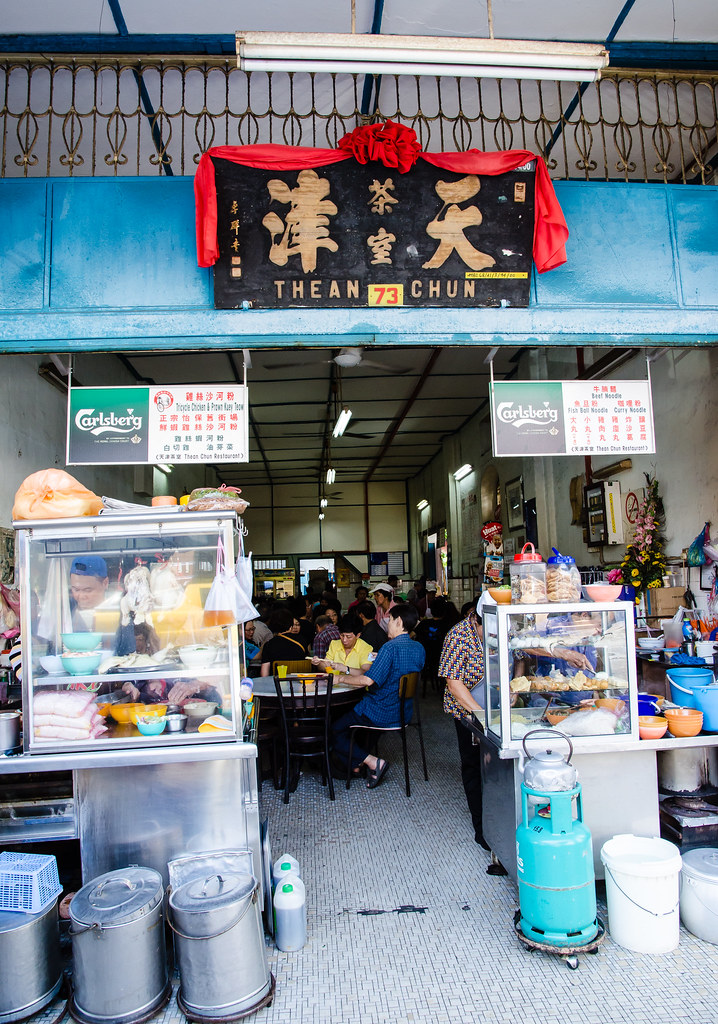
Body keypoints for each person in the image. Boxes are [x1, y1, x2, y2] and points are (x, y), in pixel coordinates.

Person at [330, 604, 425, 789]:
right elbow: (399, 669)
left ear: (398, 621)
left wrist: (340, 677)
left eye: (390, 620)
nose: (387, 624)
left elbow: (367, 681)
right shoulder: (418, 647)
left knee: (334, 729)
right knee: (352, 726)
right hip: (403, 711)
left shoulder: (389, 648)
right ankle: (355, 764)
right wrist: (379, 656)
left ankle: (372, 762)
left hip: (380, 710)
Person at [438, 603, 492, 853]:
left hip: (496, 705)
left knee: (498, 767)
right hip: (468, 712)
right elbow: (453, 682)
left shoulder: (500, 627)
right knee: (473, 766)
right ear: (477, 621)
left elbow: (520, 655)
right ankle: (482, 829)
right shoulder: (458, 635)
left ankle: (502, 817)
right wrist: (480, 715)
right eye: (488, 630)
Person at [259, 609, 309, 676]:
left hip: (277, 685)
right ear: (290, 625)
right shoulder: (302, 641)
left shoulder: (269, 645)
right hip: (300, 684)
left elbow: (264, 674)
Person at [69, 555, 111, 628]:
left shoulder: (121, 615)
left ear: (105, 583)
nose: (81, 596)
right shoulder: (64, 613)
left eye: (87, 590)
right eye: (76, 589)